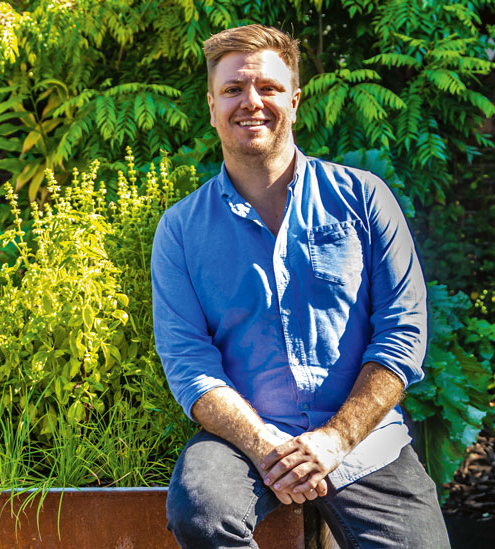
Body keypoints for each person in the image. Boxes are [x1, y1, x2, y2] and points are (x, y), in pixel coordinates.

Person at [151, 24, 450, 548]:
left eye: (267, 87)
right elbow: (187, 361)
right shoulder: (180, 229)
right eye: (232, 89)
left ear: (294, 98)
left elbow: (403, 334)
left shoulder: (364, 199)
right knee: (200, 510)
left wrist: (335, 439)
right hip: (246, 442)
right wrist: (263, 441)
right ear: (211, 103)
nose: (251, 102)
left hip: (365, 440)